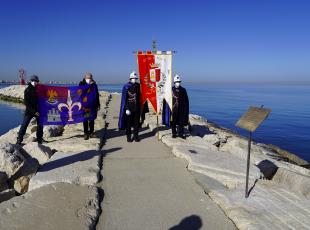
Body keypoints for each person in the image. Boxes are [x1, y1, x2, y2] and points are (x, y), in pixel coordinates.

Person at [16, 75, 43, 145]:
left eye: (36, 81)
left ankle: (39, 140)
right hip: (29, 111)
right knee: (24, 125)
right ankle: (19, 139)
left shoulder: (39, 89)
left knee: (40, 125)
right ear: (31, 81)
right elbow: (26, 103)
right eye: (34, 81)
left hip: (38, 110)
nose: (35, 82)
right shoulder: (27, 90)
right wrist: (34, 112)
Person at [118, 71, 141, 142]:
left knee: (136, 124)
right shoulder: (126, 86)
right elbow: (124, 99)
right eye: (133, 78)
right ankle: (128, 137)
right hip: (129, 108)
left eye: (136, 78)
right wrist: (126, 108)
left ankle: (136, 136)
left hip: (136, 108)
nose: (135, 79)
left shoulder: (138, 86)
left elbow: (140, 97)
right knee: (128, 124)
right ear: (130, 79)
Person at [79, 73, 100, 140]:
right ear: (84, 77)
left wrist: (98, 104)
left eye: (90, 77)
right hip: (85, 106)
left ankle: (91, 133)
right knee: (85, 120)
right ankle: (86, 133)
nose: (89, 79)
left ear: (92, 78)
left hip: (93, 105)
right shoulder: (82, 84)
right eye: (87, 78)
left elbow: (97, 95)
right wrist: (88, 85)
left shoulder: (94, 85)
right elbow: (81, 90)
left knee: (92, 119)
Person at [171, 74, 189, 139]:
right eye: (176, 82)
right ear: (174, 82)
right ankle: (174, 133)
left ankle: (181, 133)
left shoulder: (183, 90)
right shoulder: (171, 89)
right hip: (173, 108)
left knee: (181, 122)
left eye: (178, 82)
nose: (177, 83)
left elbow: (186, 100)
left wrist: (186, 109)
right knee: (173, 122)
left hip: (181, 109)